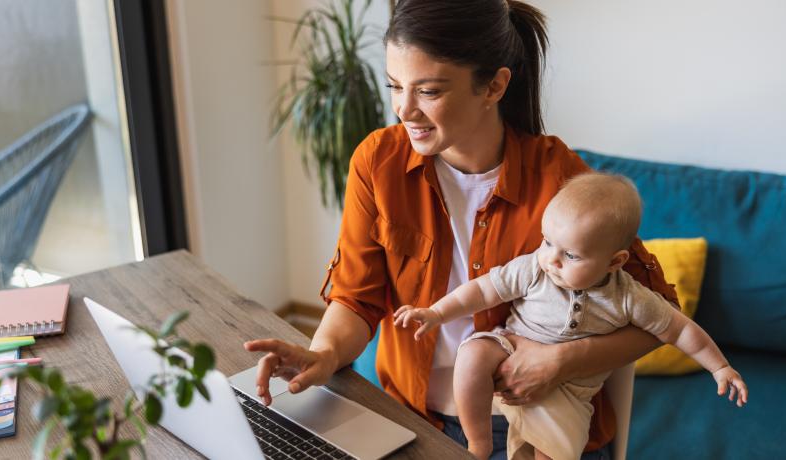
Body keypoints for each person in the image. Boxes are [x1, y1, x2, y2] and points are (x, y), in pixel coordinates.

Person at [245, 0, 681, 458]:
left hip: (527, 430)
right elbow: (357, 298)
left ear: (493, 85)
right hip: (407, 416)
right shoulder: (377, 162)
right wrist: (325, 354)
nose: (404, 110)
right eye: (395, 86)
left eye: (428, 91)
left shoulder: (559, 179)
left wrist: (559, 361)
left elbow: (664, 315)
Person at [394, 173, 749, 460]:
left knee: (554, 452)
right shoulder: (536, 267)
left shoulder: (629, 298)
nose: (552, 259)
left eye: (571, 255)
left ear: (615, 262)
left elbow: (680, 329)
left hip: (571, 393)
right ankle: (478, 443)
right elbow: (484, 290)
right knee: (472, 356)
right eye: (548, 242)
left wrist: (719, 367)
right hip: (510, 346)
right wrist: (437, 312)